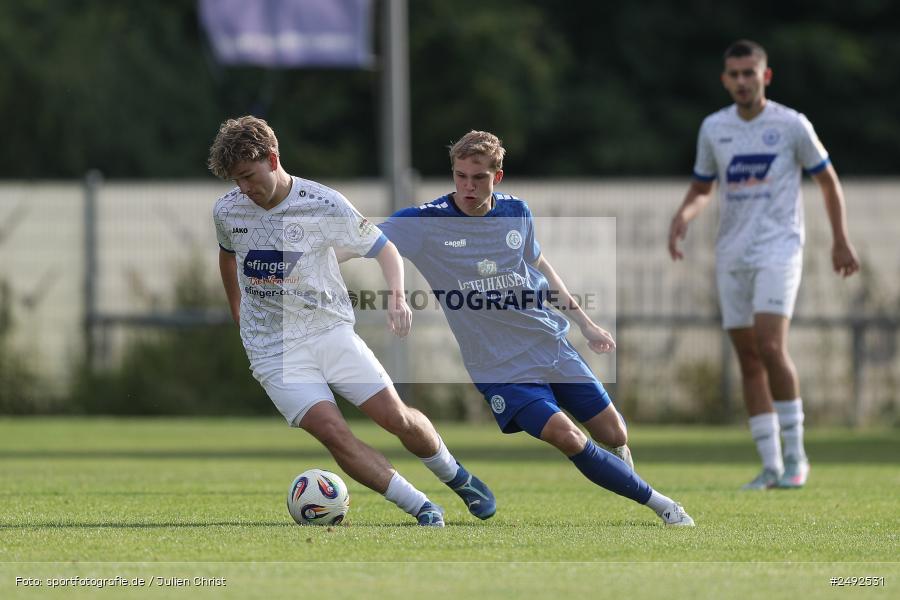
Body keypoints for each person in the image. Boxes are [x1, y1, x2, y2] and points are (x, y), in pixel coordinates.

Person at [350, 130, 694, 526]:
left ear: (497, 177)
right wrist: (319, 262)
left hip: (550, 345)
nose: (467, 186)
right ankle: (664, 506)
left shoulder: (516, 213)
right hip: (500, 369)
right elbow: (362, 240)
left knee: (615, 432)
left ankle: (623, 475)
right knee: (568, 437)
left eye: (478, 178)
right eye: (460, 176)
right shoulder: (427, 221)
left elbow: (539, 266)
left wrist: (586, 323)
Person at [208, 116, 495, 526]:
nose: (244, 189)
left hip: (329, 331)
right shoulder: (228, 209)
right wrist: (237, 309)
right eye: (236, 180)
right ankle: (422, 508)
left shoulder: (323, 204)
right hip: (272, 348)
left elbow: (384, 248)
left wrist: (397, 295)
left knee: (395, 417)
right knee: (333, 433)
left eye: (249, 176)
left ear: (273, 159)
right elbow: (227, 253)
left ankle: (455, 475)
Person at [668, 40, 860, 490]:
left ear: (765, 77)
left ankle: (797, 458)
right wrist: (683, 217)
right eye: (733, 74)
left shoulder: (791, 125)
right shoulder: (714, 128)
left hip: (780, 248)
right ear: (724, 79)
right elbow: (701, 188)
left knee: (772, 346)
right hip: (731, 253)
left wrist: (840, 239)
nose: (741, 81)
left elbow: (827, 181)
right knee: (748, 356)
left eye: (748, 73)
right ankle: (772, 466)